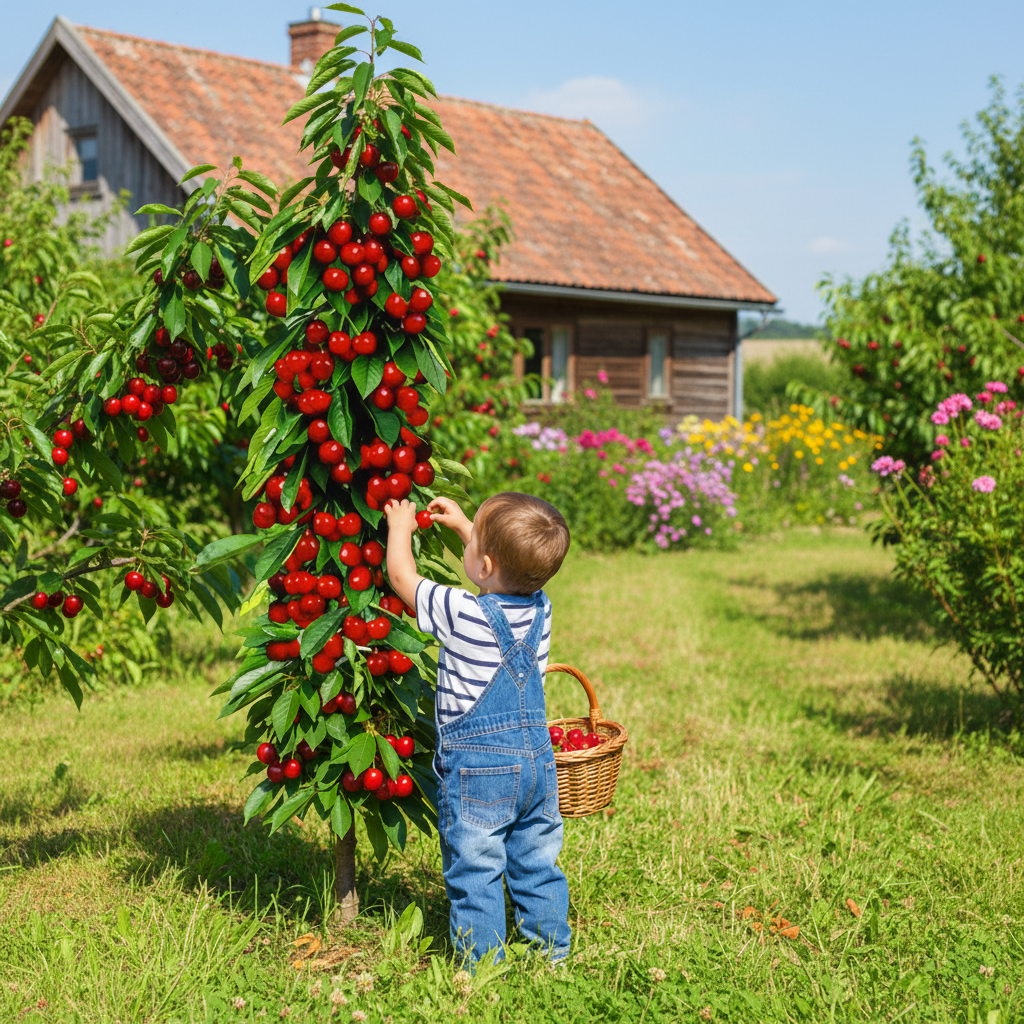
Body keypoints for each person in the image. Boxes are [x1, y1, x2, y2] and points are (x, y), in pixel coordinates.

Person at [383, 491, 572, 966]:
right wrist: (470, 528)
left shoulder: (461, 612)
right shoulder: (542, 609)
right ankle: (552, 953)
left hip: (480, 771)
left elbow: (402, 578)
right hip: (536, 768)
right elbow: (506, 570)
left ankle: (482, 963)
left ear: (484, 565)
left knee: (477, 866)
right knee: (537, 862)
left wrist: (400, 528)